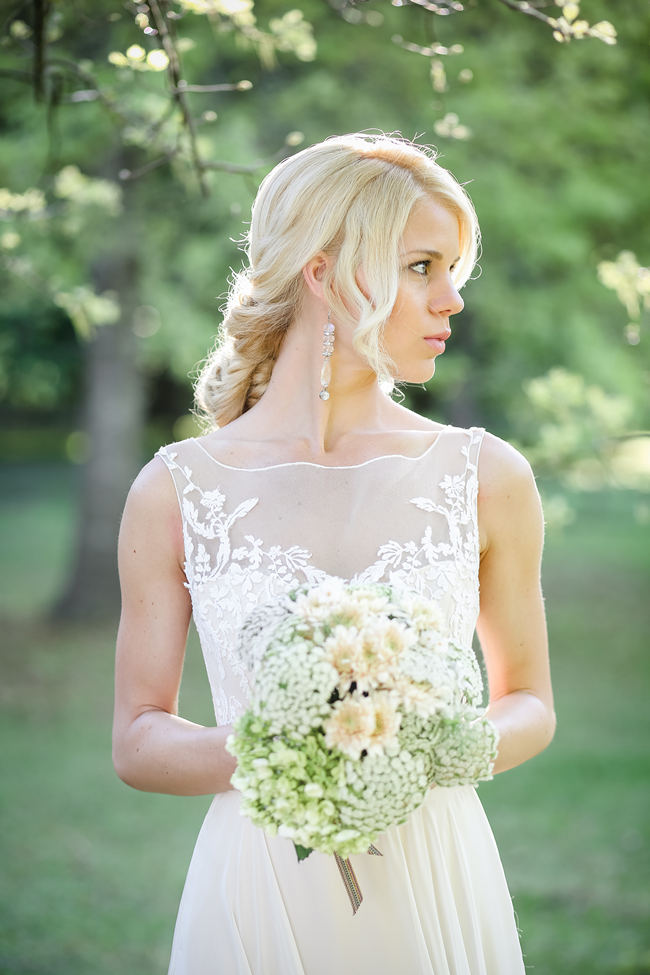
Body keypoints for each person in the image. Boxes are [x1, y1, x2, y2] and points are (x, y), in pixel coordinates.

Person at [112, 132, 555, 974]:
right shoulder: (176, 491)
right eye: (423, 266)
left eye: (453, 270)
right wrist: (290, 751)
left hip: (439, 875)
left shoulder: (485, 476)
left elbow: (530, 699)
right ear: (325, 272)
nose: (452, 300)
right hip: (259, 884)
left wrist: (438, 742)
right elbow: (137, 736)